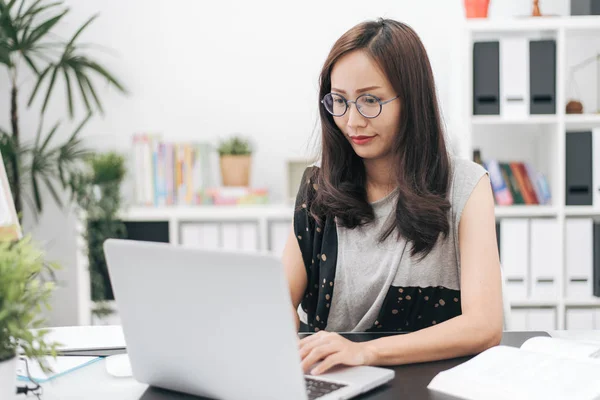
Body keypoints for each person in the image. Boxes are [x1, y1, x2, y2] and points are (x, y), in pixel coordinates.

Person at [281, 18, 503, 376]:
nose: (352, 121)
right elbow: (279, 297)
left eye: (370, 100)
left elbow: (485, 325)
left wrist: (364, 352)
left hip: (427, 383)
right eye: (339, 101)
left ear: (411, 101)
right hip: (332, 380)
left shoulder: (466, 184)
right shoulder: (319, 184)